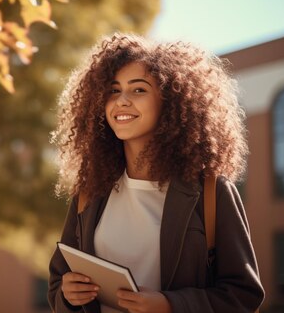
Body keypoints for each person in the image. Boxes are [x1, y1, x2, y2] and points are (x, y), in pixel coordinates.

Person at [48, 33, 264, 313]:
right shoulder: (90, 192)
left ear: (171, 101)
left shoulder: (211, 192)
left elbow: (243, 296)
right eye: (113, 90)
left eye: (138, 90)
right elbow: (57, 286)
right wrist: (69, 295)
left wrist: (171, 305)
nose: (122, 101)